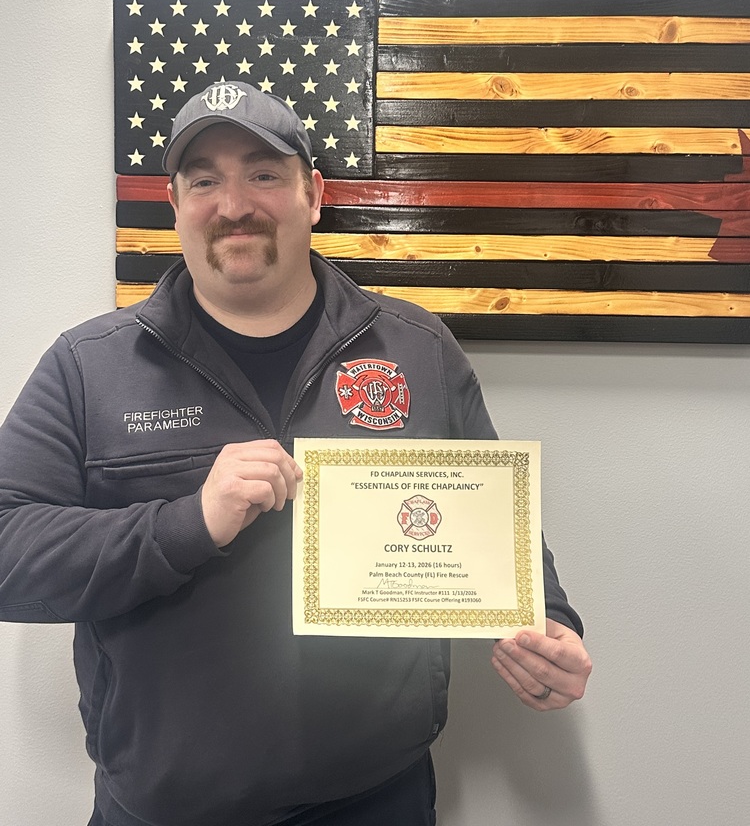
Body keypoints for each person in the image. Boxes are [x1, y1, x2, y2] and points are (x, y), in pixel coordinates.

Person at [0, 81, 591, 826]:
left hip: (378, 795)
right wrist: (188, 522)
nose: (234, 203)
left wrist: (551, 626)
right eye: (204, 180)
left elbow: (490, 518)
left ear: (313, 194)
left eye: (264, 174)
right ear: (174, 204)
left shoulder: (416, 348)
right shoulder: (88, 367)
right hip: (166, 806)